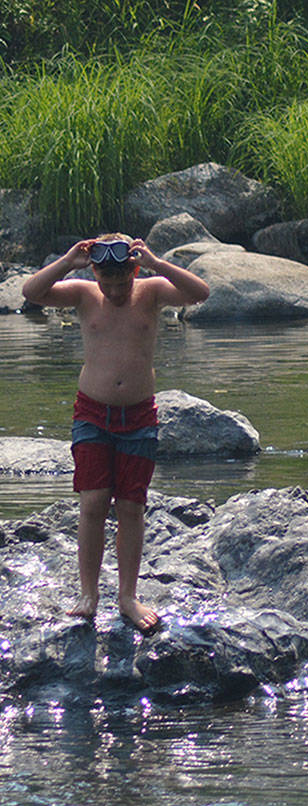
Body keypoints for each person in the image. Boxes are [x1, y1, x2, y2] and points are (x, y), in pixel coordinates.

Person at [22, 234, 211, 632]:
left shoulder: (153, 290)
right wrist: (67, 260)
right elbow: (32, 292)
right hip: (92, 413)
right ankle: (88, 593)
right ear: (95, 272)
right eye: (106, 281)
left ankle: (127, 596)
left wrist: (159, 263)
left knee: (130, 506)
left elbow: (200, 292)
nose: (114, 289)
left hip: (139, 417)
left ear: (134, 269)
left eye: (122, 281)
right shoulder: (83, 293)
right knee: (92, 502)